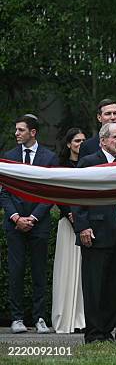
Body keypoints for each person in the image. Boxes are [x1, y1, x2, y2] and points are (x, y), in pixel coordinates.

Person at [72, 123, 116, 344]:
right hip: (97, 233)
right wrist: (82, 226)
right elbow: (77, 195)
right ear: (102, 141)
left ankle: (106, 331)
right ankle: (93, 333)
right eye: (115, 137)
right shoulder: (90, 162)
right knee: (95, 286)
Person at [1, 114, 59, 334]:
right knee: (15, 272)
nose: (16, 133)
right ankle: (17, 319)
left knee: (38, 272)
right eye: (16, 130)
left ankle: (40, 318)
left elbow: (50, 192)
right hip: (14, 224)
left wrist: (33, 218)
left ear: (32, 132)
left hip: (39, 223)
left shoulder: (49, 157)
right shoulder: (9, 156)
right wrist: (16, 217)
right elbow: (5, 192)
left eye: (21, 130)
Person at [52, 128, 87, 333]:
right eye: (76, 141)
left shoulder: (89, 164)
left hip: (86, 221)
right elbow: (58, 193)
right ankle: (66, 318)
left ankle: (82, 319)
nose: (80, 144)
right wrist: (70, 214)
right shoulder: (61, 165)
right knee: (66, 270)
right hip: (68, 223)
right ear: (68, 144)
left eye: (83, 140)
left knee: (85, 272)